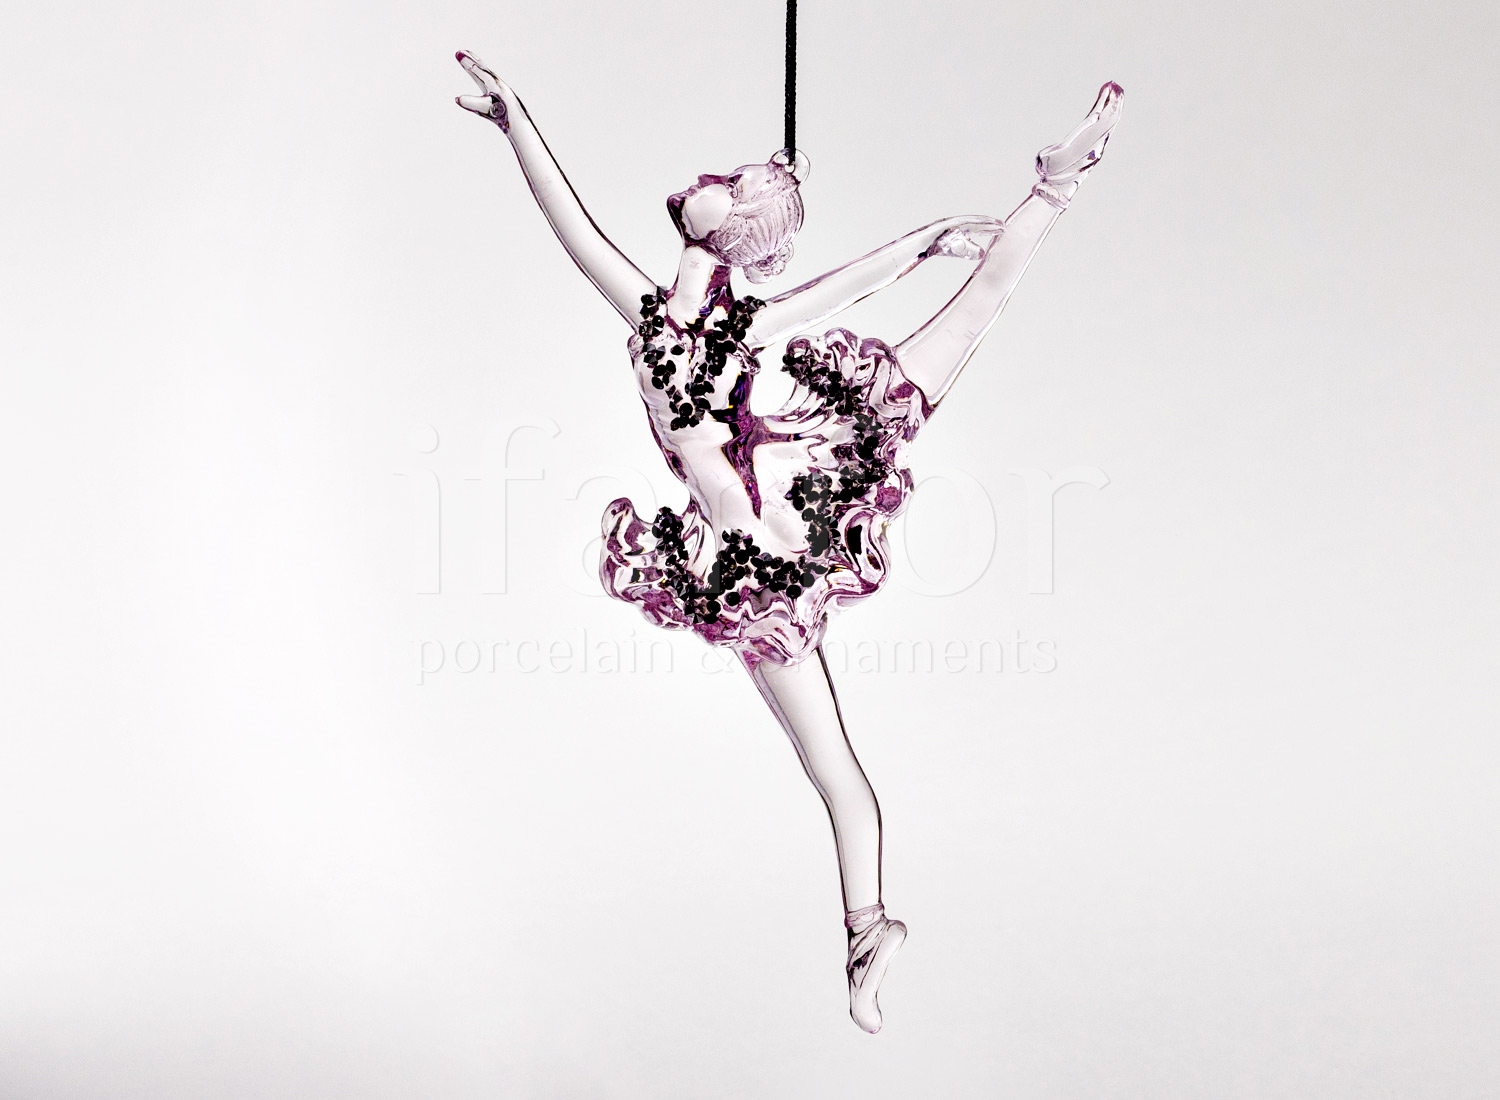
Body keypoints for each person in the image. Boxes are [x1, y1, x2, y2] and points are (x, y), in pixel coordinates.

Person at [456, 50, 1122, 1032]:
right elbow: (576, 230)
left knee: (836, 767)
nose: (712, 181)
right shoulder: (658, 312)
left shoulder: (743, 323)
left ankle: (1054, 189)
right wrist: (517, 121)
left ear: (732, 231)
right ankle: (869, 931)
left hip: (770, 557)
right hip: (742, 560)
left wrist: (929, 239)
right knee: (833, 768)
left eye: (732, 186)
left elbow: (850, 284)